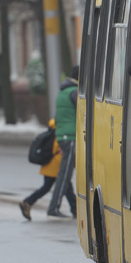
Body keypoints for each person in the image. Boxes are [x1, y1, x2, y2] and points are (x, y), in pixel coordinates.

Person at [18, 119, 75, 220]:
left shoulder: (52, 130)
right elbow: (61, 149)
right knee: (65, 187)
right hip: (56, 166)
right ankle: (27, 202)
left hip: (49, 165)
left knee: (56, 188)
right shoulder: (60, 132)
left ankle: (28, 202)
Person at [47, 65, 79, 218]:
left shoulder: (63, 92)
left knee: (65, 173)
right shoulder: (74, 92)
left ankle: (74, 208)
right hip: (71, 137)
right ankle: (53, 208)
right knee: (64, 175)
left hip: (63, 136)